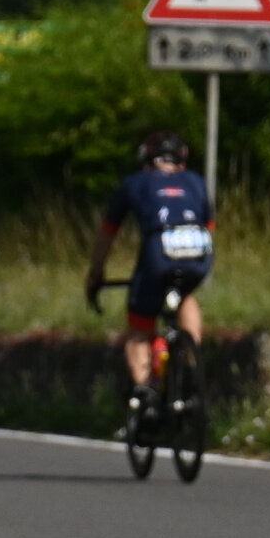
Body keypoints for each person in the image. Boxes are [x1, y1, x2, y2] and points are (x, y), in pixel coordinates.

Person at [86, 132, 214, 426]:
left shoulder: (135, 182)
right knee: (185, 297)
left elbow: (108, 233)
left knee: (139, 326)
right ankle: (190, 356)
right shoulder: (195, 181)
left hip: (159, 249)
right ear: (180, 160)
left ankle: (145, 391)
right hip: (200, 251)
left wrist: (96, 273)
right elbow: (209, 225)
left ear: (147, 160)